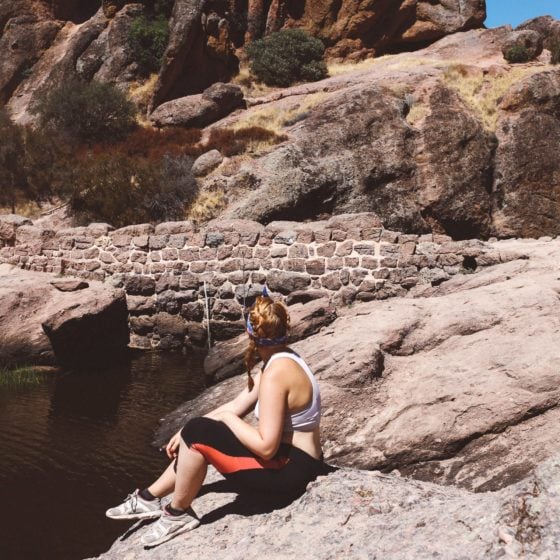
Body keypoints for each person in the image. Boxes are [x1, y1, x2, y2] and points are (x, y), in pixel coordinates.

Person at [106, 292, 330, 547]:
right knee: (196, 431)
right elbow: (236, 405)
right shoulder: (283, 359)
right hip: (295, 459)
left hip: (288, 471)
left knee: (198, 431)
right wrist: (184, 431)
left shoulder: (276, 374)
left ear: (251, 336)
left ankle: (178, 513)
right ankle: (148, 497)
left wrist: (222, 420)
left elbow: (266, 448)